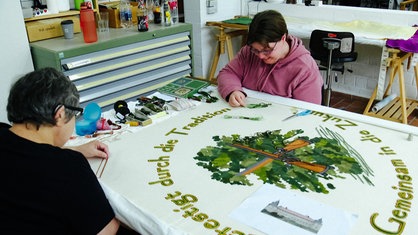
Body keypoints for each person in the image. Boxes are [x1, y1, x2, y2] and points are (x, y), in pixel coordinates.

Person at [0, 68, 121, 234]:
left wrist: (75, 149)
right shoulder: (67, 167)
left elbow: (25, 149)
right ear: (59, 115)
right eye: (75, 114)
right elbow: (106, 230)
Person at [217, 10, 323, 107]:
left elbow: (308, 110)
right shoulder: (248, 52)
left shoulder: (305, 68)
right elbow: (228, 73)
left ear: (283, 38)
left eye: (267, 50)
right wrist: (233, 91)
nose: (261, 56)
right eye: (256, 50)